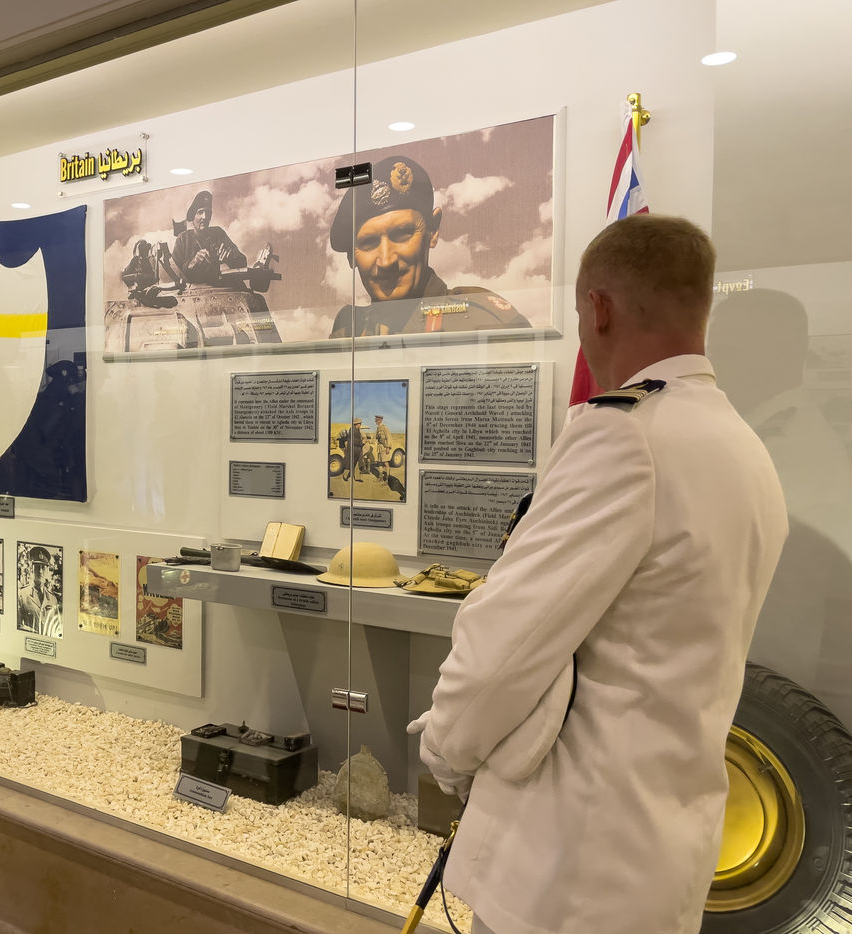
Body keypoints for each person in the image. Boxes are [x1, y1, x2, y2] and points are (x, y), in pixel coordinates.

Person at [407, 215, 788, 934]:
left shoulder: (625, 436)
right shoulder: (742, 447)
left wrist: (446, 753)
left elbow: (503, 648)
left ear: (598, 308)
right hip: (659, 855)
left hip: (566, 864)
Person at [328, 155, 531, 338]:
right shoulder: (348, 332)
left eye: (402, 234)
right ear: (351, 258)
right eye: (369, 243)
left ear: (432, 231)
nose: (387, 261)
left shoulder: (483, 321)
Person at [172, 190, 246, 285]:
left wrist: (231, 257)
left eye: (208, 212)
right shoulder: (182, 239)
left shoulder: (218, 233)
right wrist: (193, 263)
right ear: (193, 216)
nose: (205, 216)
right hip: (191, 291)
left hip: (218, 288)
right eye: (200, 212)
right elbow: (173, 275)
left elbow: (243, 263)